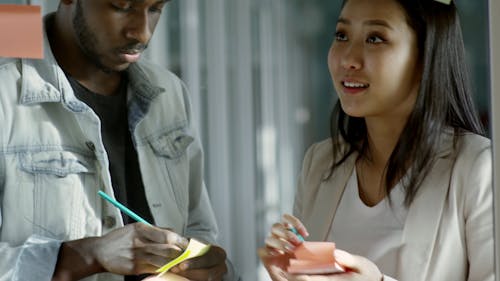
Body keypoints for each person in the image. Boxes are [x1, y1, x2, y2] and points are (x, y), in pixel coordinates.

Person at [0, 0, 237, 281]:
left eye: (155, 9)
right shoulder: (6, 95)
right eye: (122, 7)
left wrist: (207, 266)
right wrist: (87, 256)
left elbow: (198, 227)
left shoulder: (170, 93)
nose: (143, 33)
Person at [259, 0, 493, 280]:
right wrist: (287, 272)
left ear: (427, 56)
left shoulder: (477, 167)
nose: (348, 59)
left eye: (375, 38)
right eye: (342, 35)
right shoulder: (319, 163)